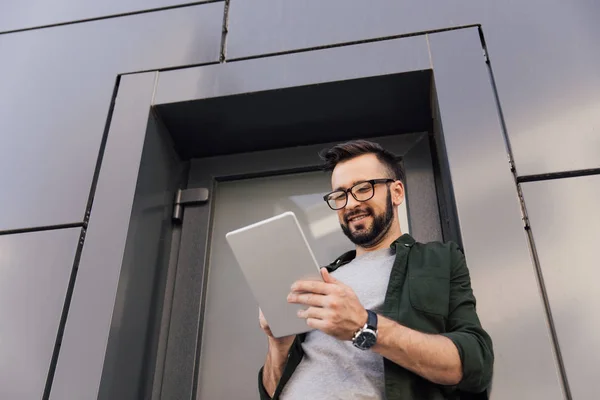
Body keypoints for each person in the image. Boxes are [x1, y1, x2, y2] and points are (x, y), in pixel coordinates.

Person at [258, 140, 494, 400]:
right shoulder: (320, 279)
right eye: (340, 195)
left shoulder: (438, 259)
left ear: (397, 192)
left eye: (363, 188)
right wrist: (278, 344)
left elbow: (475, 363)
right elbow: (271, 392)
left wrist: (364, 325)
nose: (350, 204)